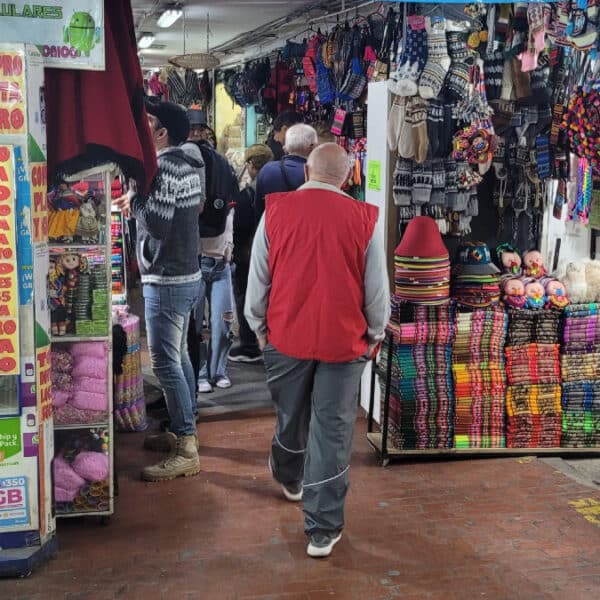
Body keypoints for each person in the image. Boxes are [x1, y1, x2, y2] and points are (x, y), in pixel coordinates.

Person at [245, 143, 390, 558]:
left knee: (292, 414)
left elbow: (259, 276)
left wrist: (257, 328)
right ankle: (322, 529)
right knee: (333, 430)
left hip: (285, 337)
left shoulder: (276, 211)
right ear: (347, 177)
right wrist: (374, 334)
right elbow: (376, 289)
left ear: (307, 170)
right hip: (344, 343)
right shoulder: (364, 220)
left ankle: (289, 474)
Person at [114, 99, 203, 482]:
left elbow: (157, 223)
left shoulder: (166, 165)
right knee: (178, 355)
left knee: (166, 361)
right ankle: (185, 427)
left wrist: (133, 200)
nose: (141, 126)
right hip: (183, 273)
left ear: (162, 132)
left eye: (147, 121)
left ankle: (186, 443)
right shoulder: (186, 164)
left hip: (168, 278)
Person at [186, 108, 240, 393]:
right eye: (192, 129)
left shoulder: (219, 165)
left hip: (219, 259)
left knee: (222, 323)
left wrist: (228, 245)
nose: (196, 134)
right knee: (193, 325)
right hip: (194, 260)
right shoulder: (183, 163)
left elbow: (230, 210)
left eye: (199, 130)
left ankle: (216, 370)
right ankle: (199, 373)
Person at [230, 144, 274, 363]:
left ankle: (249, 345)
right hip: (273, 254)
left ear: (251, 165)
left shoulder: (247, 195)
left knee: (246, 296)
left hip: (247, 255)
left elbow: (238, 228)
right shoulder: (277, 190)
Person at [254, 123, 318, 224]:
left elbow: (259, 211)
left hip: (271, 231)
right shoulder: (317, 174)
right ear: (312, 147)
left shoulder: (267, 170)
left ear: (286, 146)